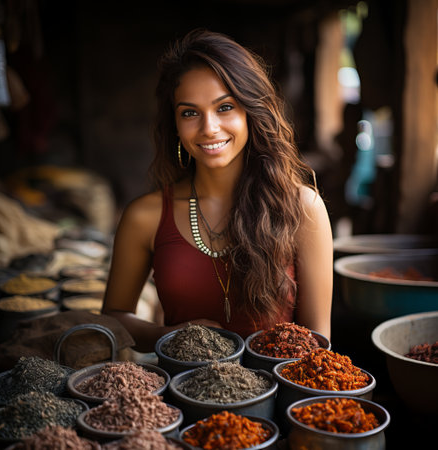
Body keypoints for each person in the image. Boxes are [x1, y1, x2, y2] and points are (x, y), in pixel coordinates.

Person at [102, 29, 333, 352]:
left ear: (251, 112)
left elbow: (319, 342)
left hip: (278, 396)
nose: (209, 128)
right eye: (190, 113)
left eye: (225, 107)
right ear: (175, 125)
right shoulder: (146, 216)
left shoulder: (303, 208)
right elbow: (114, 317)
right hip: (180, 395)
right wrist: (169, 334)